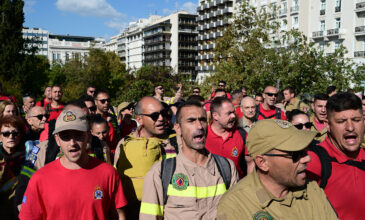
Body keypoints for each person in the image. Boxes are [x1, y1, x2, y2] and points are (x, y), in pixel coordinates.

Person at [217, 119, 338, 220]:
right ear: (262, 163)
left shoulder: (312, 190)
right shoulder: (235, 206)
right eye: (295, 155)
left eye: (305, 151)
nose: (307, 158)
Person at [19, 108, 128, 219]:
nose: (72, 143)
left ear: (88, 137)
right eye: (66, 136)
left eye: (78, 135)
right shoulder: (39, 178)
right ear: (57, 140)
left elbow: (119, 214)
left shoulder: (108, 173)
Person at [140, 101, 239, 219]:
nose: (199, 126)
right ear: (178, 128)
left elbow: (236, 213)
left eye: (202, 120)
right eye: (191, 121)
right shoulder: (160, 173)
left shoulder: (226, 167)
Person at [114, 97, 178, 219]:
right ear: (139, 119)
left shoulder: (177, 141)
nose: (161, 119)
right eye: (154, 116)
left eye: (164, 114)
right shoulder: (124, 144)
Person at [306, 92, 365, 220]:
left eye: (356, 120)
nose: (350, 127)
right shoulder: (313, 161)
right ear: (327, 125)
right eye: (341, 121)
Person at [206, 97, 249, 178]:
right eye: (228, 113)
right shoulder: (203, 135)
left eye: (233, 112)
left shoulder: (241, 134)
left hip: (236, 188)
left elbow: (250, 163)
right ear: (215, 115)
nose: (233, 116)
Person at [0, 116, 26, 220]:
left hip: (22, 211)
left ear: (20, 136)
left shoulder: (30, 156)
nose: (11, 136)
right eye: (6, 134)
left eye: (15, 133)